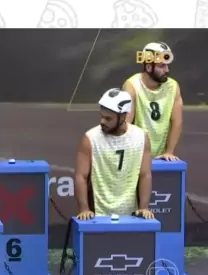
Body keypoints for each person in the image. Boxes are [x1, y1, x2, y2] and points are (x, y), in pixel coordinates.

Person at [75, 88, 154, 220]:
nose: (102, 121)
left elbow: (145, 175)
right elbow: (81, 177)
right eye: (101, 116)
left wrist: (144, 207)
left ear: (123, 116)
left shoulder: (141, 137)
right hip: (97, 213)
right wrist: (84, 209)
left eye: (108, 118)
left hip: (131, 213)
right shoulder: (90, 138)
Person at [122, 40, 183, 160]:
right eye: (162, 66)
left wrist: (169, 152)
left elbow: (177, 122)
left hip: (161, 156)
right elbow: (126, 124)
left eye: (167, 65)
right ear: (149, 67)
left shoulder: (173, 86)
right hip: (136, 155)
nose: (167, 70)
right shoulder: (132, 86)